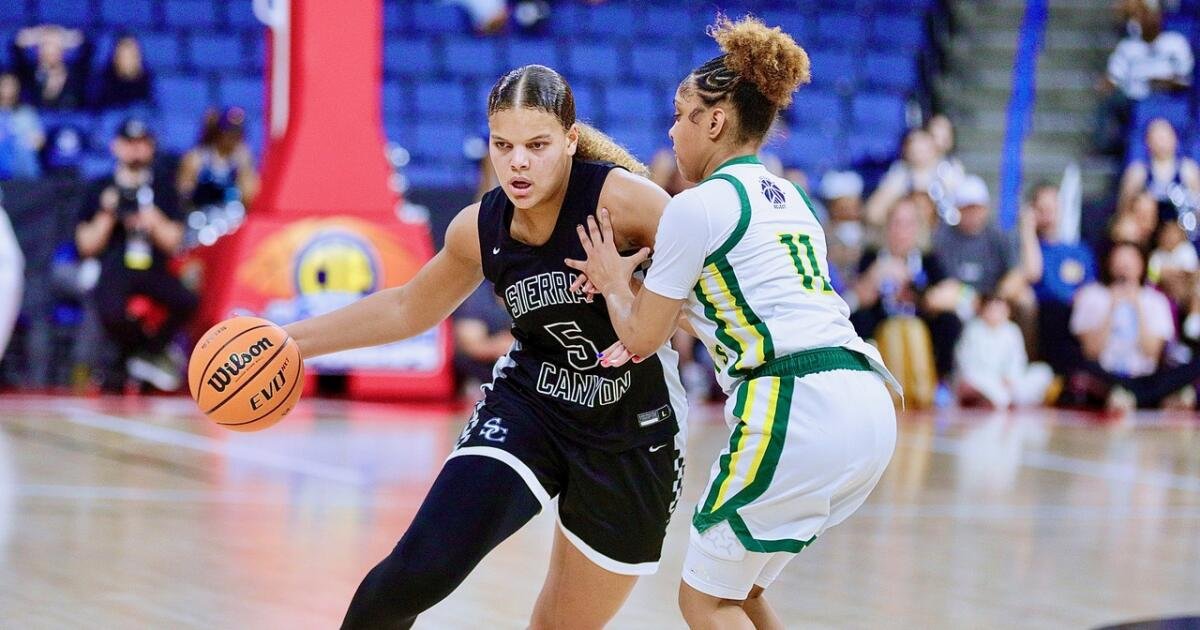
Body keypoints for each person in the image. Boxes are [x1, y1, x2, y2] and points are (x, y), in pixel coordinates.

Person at [284, 65, 688, 629]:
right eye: (504, 145)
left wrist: (633, 286)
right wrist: (289, 342)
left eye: (537, 145)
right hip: (532, 407)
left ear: (571, 141)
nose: (517, 162)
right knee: (413, 573)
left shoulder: (626, 203)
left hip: (631, 429)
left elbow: (711, 288)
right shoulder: (480, 226)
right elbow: (407, 308)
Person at [563, 16, 899, 628]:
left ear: (714, 121)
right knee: (736, 588)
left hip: (796, 405)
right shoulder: (792, 198)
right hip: (865, 402)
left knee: (700, 600)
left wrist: (615, 283)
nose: (671, 129)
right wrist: (640, 287)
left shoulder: (698, 206)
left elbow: (640, 339)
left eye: (680, 113)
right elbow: (728, 312)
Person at [74, 118, 195, 391]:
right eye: (129, 143)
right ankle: (139, 356)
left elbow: (174, 241)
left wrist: (153, 219)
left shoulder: (163, 187)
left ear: (151, 147)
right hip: (115, 266)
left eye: (142, 143)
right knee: (110, 309)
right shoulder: (100, 187)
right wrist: (107, 213)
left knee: (187, 300)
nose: (136, 150)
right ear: (116, 146)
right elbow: (85, 245)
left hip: (152, 266)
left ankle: (142, 355)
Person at [1070, 242, 1200, 410]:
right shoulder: (1091, 295)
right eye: (1120, 259)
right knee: (1079, 368)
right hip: (1107, 375)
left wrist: (1137, 306)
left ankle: (1129, 398)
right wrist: (1112, 307)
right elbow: (1091, 352)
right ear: (1109, 263)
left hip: (1147, 377)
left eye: (1130, 260)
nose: (1125, 266)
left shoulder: (1156, 300)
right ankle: (1153, 400)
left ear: (1142, 264)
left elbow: (1152, 352)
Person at [851, 195, 962, 378]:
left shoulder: (928, 259)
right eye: (896, 223)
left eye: (908, 224)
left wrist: (920, 294)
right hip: (882, 320)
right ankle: (864, 377)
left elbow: (947, 293)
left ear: (917, 228)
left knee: (948, 322)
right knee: (859, 320)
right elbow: (855, 300)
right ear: (887, 227)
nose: (901, 231)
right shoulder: (872, 257)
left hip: (920, 321)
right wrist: (875, 276)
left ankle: (942, 379)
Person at [1019, 182, 1096, 373]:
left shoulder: (1079, 250)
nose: (1048, 215)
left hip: (1079, 313)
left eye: (1053, 208)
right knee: (1055, 312)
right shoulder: (1028, 247)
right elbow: (1032, 273)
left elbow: (1091, 286)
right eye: (1042, 209)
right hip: (1046, 313)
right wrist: (1027, 230)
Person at [955, 293, 1053, 409]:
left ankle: (1003, 399)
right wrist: (994, 379)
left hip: (1008, 382)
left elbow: (1018, 359)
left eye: (1000, 310)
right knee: (971, 382)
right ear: (983, 310)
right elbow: (965, 362)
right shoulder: (973, 329)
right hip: (982, 379)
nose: (996, 314)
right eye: (992, 309)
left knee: (1043, 372)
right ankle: (988, 398)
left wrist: (1010, 377)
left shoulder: (1012, 330)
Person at [864, 127, 965, 227]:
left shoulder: (950, 168)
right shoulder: (899, 173)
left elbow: (965, 210)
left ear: (933, 147)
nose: (918, 151)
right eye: (913, 146)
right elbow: (873, 214)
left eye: (923, 146)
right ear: (906, 150)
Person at [177, 107, 260, 211]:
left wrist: (244, 169)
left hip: (232, 217)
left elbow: (249, 197)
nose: (235, 136)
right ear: (218, 132)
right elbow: (184, 195)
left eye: (239, 132)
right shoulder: (197, 157)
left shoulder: (243, 158)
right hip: (202, 216)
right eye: (230, 131)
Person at [1117, 118, 1200, 216]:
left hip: (1181, 226)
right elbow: (1123, 210)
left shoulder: (1188, 169)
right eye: (1157, 138)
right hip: (1146, 226)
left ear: (1175, 138)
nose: (1161, 143)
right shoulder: (1137, 171)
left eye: (1165, 137)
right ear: (1147, 142)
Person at [451, 280, 514, 397]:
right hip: (485, 372)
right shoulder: (477, 296)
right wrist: (502, 345)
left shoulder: (542, 290)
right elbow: (470, 345)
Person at [10, 25, 91, 110]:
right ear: (38, 51)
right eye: (45, 46)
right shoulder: (27, 74)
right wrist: (37, 34)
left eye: (55, 46)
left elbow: (88, 46)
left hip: (70, 121)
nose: (50, 50)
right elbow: (15, 47)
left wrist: (65, 35)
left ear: (63, 50)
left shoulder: (76, 74)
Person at [820, 170, 866, 288]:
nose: (848, 209)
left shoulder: (870, 233)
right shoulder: (821, 234)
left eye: (852, 203)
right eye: (842, 204)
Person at [0, 71, 44, 180]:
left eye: (12, 85)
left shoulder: (27, 113)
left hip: (22, 162)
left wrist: (25, 144)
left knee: (22, 151)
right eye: (4, 85)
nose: (8, 89)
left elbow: (39, 141)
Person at [93, 34, 153, 109]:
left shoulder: (148, 80)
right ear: (115, 56)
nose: (127, 57)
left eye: (131, 53)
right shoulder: (104, 81)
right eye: (123, 53)